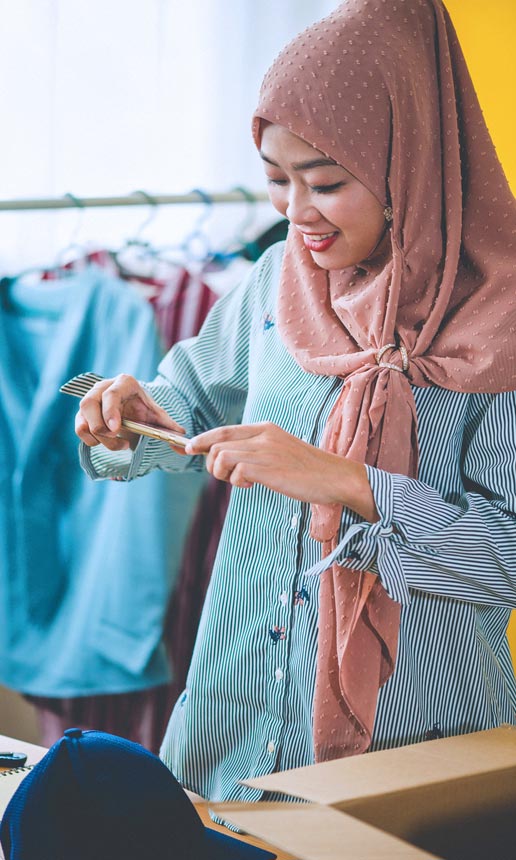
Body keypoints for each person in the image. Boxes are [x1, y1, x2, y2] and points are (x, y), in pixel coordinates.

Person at [76, 0, 516, 811]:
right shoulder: (277, 279)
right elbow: (185, 407)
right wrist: (127, 417)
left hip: (418, 748)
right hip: (234, 720)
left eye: (328, 183)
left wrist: (346, 482)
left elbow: (507, 555)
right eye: (279, 181)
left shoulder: (498, 317)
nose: (295, 213)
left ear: (409, 162)